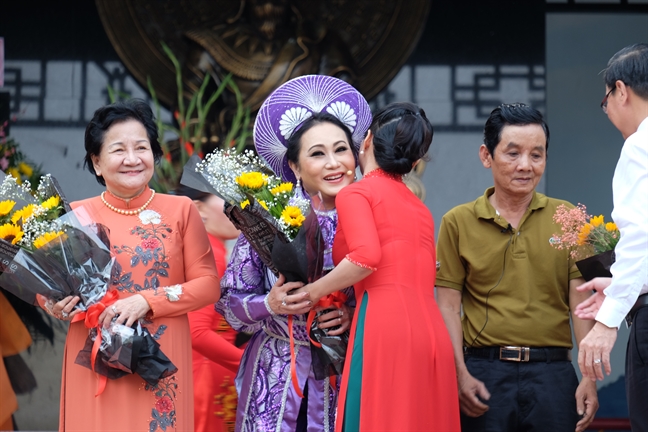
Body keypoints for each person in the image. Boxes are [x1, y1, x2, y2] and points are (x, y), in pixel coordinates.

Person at [42, 99, 220, 431]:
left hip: (159, 364)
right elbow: (49, 285)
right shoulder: (73, 216)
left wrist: (146, 301)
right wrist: (54, 303)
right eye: (118, 149)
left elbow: (209, 284)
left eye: (142, 147)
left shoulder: (181, 209)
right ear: (96, 162)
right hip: (94, 362)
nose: (132, 159)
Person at [217, 75, 371, 432]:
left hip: (344, 369)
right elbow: (229, 303)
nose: (334, 163)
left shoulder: (374, 215)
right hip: (275, 368)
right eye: (317, 154)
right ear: (296, 167)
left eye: (341, 149)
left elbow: (394, 294)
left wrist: (352, 315)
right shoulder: (271, 217)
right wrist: (269, 304)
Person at [435, 103, 598, 432]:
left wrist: (589, 379)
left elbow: (581, 305)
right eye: (513, 153)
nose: (526, 165)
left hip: (554, 375)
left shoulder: (568, 218)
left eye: (536, 155)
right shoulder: (457, 222)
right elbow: (448, 307)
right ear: (486, 155)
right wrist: (460, 374)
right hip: (484, 373)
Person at [300, 102, 460, 431]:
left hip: (386, 325)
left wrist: (312, 291)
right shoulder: (418, 207)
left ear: (368, 139)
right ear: (413, 159)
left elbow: (365, 257)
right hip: (430, 330)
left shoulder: (357, 193)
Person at [574, 43, 648, 431]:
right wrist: (625, 285)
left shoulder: (639, 146)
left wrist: (607, 321)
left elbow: (640, 239)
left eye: (606, 101)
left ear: (621, 90)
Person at [175, 183, 245, 432]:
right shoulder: (209, 254)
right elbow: (197, 332)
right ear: (198, 209)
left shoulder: (198, 250)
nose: (236, 208)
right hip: (206, 377)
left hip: (207, 373)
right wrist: (249, 365)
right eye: (227, 199)